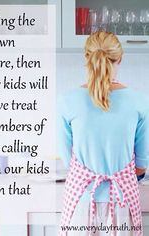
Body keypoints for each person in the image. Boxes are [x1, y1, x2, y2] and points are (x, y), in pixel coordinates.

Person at [58, 31, 149, 236]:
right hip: (122, 202)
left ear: (86, 58)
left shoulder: (66, 101)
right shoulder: (140, 102)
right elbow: (141, 166)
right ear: (120, 59)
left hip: (81, 203)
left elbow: (68, 163)